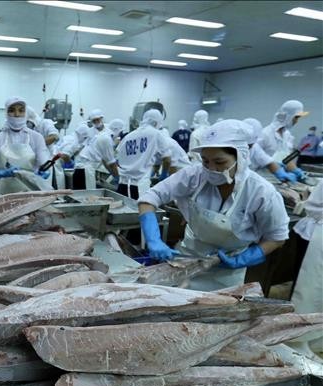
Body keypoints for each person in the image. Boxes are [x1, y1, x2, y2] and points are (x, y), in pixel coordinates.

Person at [138, 119, 290, 291]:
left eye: (220, 162)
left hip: (227, 273)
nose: (211, 169)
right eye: (205, 161)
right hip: (186, 259)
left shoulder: (261, 192)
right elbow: (150, 198)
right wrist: (153, 239)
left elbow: (277, 238)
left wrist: (244, 258)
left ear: (241, 157)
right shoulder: (194, 175)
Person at [0, 96, 51, 194]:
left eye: (21, 110)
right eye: (12, 110)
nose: (17, 114)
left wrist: (42, 173)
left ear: (26, 113)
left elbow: (44, 165)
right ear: (6, 113)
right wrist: (3, 173)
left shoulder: (36, 138)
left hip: (32, 193)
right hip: (4, 195)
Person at [290, 181, 323, 352]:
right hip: (317, 237)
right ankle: (297, 340)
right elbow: (313, 208)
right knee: (309, 291)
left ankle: (316, 340)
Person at [115, 109, 171, 199]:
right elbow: (167, 159)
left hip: (122, 185)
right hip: (139, 186)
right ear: (157, 122)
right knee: (140, 211)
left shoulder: (128, 136)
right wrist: (164, 174)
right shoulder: (156, 134)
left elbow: (117, 159)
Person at [256, 100, 309, 182]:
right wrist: (275, 168)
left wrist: (297, 171)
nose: (296, 121)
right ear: (288, 116)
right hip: (263, 179)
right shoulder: (265, 134)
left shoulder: (287, 135)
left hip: (281, 179)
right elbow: (254, 158)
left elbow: (286, 159)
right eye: (296, 117)